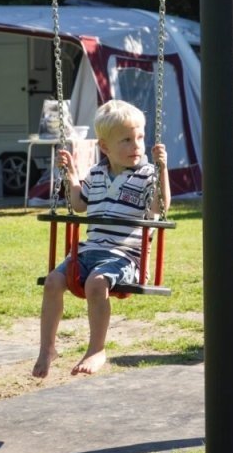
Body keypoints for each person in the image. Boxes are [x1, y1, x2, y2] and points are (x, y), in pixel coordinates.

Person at [32, 100, 171, 378]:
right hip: (88, 251)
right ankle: (47, 348)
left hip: (125, 255)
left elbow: (161, 207)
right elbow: (79, 204)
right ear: (105, 147)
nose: (137, 146)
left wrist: (163, 169)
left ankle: (97, 349)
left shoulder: (147, 175)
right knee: (53, 282)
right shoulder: (96, 174)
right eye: (127, 140)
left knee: (97, 283)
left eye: (140, 138)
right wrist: (71, 174)